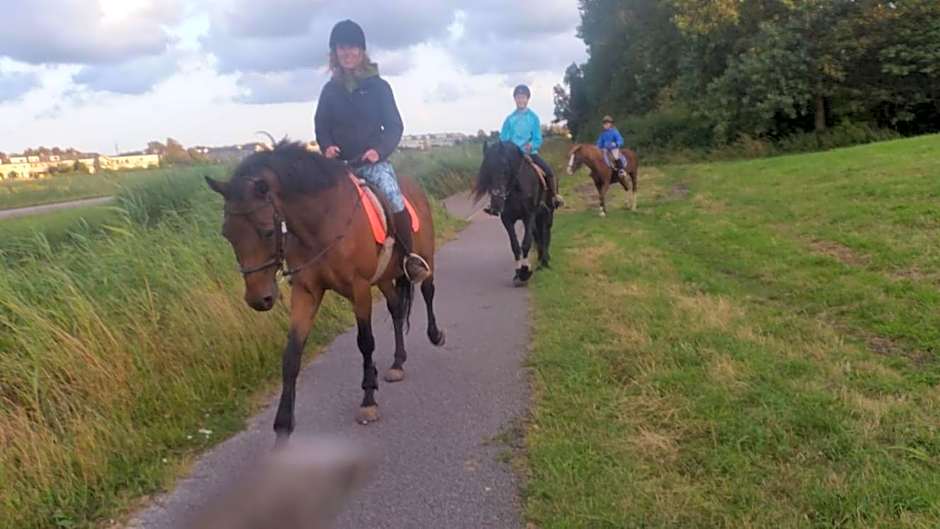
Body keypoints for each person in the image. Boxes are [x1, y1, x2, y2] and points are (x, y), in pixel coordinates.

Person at [314, 19, 429, 283]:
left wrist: (378, 151)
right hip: (340, 166)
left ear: (362, 51)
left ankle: (409, 257)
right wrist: (326, 146)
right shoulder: (329, 90)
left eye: (353, 47)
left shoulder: (379, 87)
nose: (347, 53)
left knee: (394, 196)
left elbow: (394, 126)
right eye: (341, 47)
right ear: (335, 53)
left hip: (372, 163)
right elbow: (321, 126)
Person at [487, 84, 563, 214]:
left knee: (549, 171)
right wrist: (508, 150)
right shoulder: (509, 119)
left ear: (527, 99)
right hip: (512, 156)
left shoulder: (533, 118)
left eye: (523, 97)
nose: (521, 100)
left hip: (530, 153)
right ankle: (494, 203)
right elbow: (504, 139)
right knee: (497, 173)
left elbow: (537, 138)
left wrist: (531, 145)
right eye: (518, 97)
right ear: (515, 99)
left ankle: (553, 197)